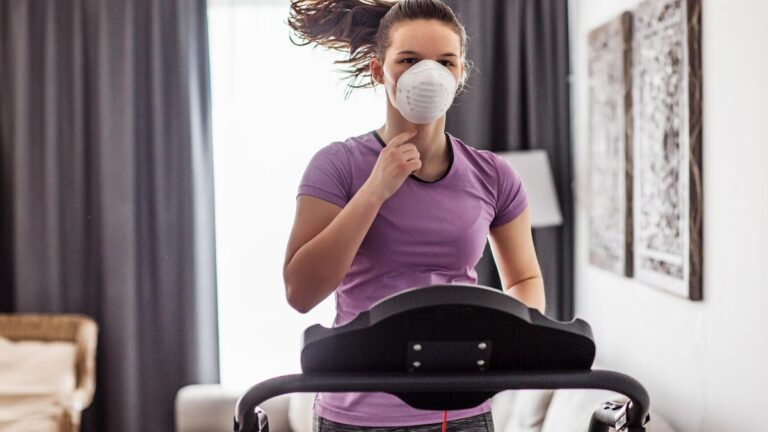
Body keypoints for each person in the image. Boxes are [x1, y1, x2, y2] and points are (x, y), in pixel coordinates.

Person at [284, 0, 545, 430]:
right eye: (409, 60)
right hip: (355, 415)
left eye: (445, 62)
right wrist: (375, 190)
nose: (429, 74)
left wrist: (503, 346)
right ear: (378, 70)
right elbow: (301, 292)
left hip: (461, 412)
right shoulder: (337, 166)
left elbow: (524, 280)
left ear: (460, 74)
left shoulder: (494, 175)